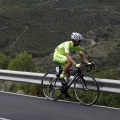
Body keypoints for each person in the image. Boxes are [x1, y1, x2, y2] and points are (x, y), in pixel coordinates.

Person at [53, 32, 93, 97]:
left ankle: (65, 89)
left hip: (64, 57)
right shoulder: (67, 44)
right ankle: (61, 76)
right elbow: (68, 56)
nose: (80, 42)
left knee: (68, 73)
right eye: (79, 41)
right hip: (57, 55)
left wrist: (88, 63)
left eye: (80, 41)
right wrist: (75, 64)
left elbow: (82, 56)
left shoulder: (77, 46)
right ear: (74, 41)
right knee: (69, 62)